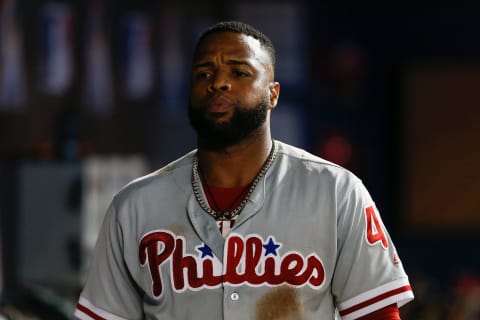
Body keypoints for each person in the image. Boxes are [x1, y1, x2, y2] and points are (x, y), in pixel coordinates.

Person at [74, 21, 414, 320]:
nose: (218, 82)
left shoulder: (335, 191)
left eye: (239, 72)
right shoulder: (135, 205)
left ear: (273, 94)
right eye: (204, 73)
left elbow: (377, 314)